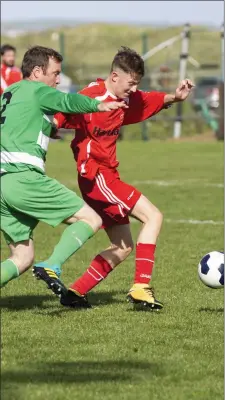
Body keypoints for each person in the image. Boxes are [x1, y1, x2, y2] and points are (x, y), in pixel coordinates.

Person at [52, 46, 194, 310]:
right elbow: (64, 107)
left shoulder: (125, 98)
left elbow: (147, 100)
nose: (133, 89)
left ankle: (75, 292)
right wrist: (52, 125)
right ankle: (141, 287)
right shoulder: (91, 96)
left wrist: (174, 97)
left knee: (123, 246)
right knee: (154, 216)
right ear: (115, 77)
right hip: (97, 176)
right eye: (130, 83)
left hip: (104, 178)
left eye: (136, 84)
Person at [0, 45, 127, 308]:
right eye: (55, 73)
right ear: (37, 72)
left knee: (22, 257)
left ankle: (44, 264)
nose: (57, 80)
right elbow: (69, 101)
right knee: (91, 218)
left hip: (2, 182)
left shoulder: (9, 92)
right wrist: (98, 104)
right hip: (23, 178)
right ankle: (53, 265)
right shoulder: (38, 90)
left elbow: (20, 123)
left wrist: (46, 127)